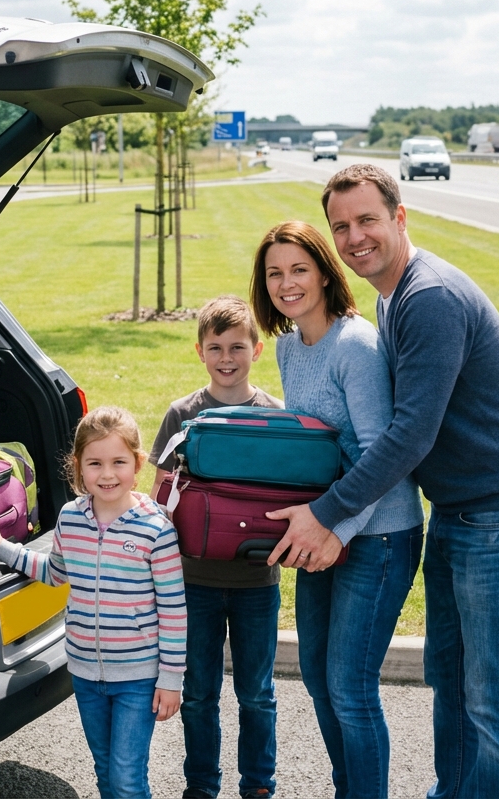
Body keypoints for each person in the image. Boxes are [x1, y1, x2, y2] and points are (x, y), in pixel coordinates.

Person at [266, 163, 499, 799]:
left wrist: (326, 514)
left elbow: (408, 435)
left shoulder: (429, 296)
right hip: (460, 510)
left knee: (495, 700)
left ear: (399, 217)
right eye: (341, 227)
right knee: (451, 682)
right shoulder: (391, 295)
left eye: (367, 220)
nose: (355, 237)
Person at [249, 222, 423, 799]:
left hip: (379, 534)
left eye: (299, 269)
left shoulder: (356, 345)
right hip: (323, 525)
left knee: (350, 687)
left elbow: (379, 456)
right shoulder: (287, 347)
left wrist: (332, 529)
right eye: (275, 273)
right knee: (319, 678)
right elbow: (313, 449)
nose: (287, 283)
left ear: (325, 273)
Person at [0, 406, 185, 799]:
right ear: (78, 466)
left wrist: (171, 680)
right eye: (95, 463)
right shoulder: (70, 519)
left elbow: (174, 611)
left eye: (118, 462)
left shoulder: (156, 530)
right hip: (86, 674)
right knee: (104, 771)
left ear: (137, 463)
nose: (107, 474)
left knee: (126, 779)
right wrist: (2, 547)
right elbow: (55, 572)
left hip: (138, 678)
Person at [149, 295, 284, 799]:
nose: (227, 358)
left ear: (257, 349)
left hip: (256, 581)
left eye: (237, 347)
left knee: (257, 694)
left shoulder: (275, 415)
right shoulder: (182, 414)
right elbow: (160, 495)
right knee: (199, 694)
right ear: (200, 351)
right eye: (216, 348)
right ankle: (202, 786)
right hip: (193, 582)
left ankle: (258, 786)